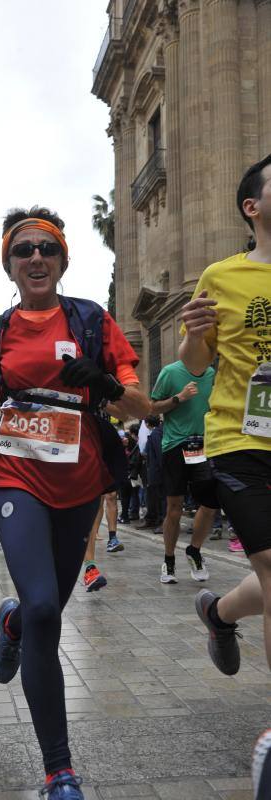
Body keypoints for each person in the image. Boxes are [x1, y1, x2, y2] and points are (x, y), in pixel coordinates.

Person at [0, 206, 150, 798]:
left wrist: (109, 386)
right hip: (16, 477)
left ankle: (10, 623)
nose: (35, 256)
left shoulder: (93, 322)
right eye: (23, 250)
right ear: (9, 265)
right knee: (43, 609)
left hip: (82, 480)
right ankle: (59, 768)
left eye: (47, 248)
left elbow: (136, 408)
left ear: (63, 261)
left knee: (44, 611)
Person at [179, 154, 271, 798]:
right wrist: (189, 336)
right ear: (253, 207)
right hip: (240, 440)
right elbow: (193, 360)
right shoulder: (223, 275)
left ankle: (219, 611)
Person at [150, 358, 218, 584]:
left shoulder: (211, 374)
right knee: (175, 507)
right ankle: (168, 561)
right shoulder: (170, 372)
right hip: (175, 446)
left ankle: (194, 551)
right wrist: (179, 398)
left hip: (204, 446)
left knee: (210, 504)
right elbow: (152, 407)